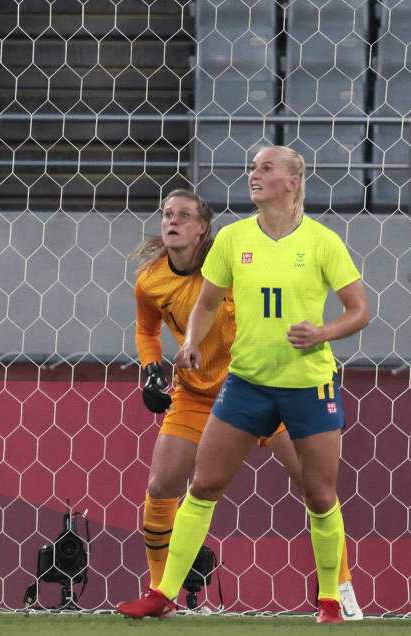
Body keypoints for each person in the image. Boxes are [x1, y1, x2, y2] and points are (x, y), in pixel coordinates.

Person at [118, 147, 370, 623]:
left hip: (303, 385)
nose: (252, 174)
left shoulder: (320, 242)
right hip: (234, 388)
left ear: (294, 181)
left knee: (317, 493)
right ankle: (161, 592)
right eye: (251, 166)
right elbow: (187, 312)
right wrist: (177, 350)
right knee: (188, 484)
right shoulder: (223, 247)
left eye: (265, 168)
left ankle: (338, 593)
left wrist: (321, 333)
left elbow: (360, 310)